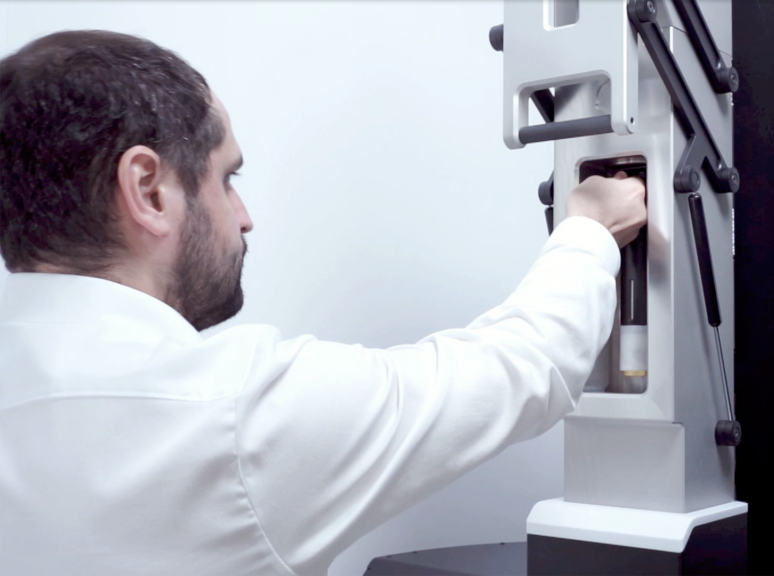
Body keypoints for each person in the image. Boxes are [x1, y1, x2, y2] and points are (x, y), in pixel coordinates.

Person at [0, 30, 647, 576]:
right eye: (228, 178)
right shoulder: (231, 417)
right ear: (148, 189)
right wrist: (589, 228)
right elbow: (523, 368)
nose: (244, 218)